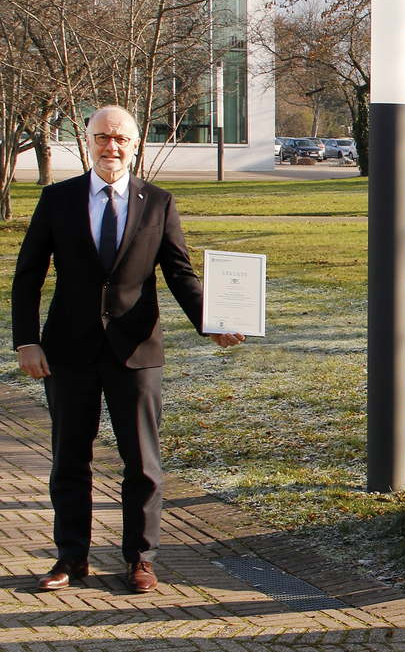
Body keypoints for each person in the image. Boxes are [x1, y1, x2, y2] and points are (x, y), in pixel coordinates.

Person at [11, 105, 244, 594]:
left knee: (142, 462)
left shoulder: (158, 202)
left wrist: (212, 322)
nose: (110, 147)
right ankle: (70, 558)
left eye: (120, 138)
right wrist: (26, 341)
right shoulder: (57, 200)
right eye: (101, 138)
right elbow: (28, 275)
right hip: (68, 352)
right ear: (87, 141)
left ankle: (140, 558)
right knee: (69, 460)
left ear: (135, 145)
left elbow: (179, 272)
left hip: (135, 351)